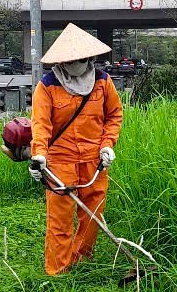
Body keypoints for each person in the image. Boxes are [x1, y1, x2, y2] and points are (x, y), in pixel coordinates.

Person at [29, 23, 123, 275]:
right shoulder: (47, 86)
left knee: (93, 214)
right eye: (70, 60)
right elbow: (41, 124)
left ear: (89, 58)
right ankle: (58, 270)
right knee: (60, 219)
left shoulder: (103, 83)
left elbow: (114, 115)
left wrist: (107, 145)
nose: (75, 64)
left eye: (80, 59)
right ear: (61, 61)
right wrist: (40, 154)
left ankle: (82, 261)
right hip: (60, 160)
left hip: (94, 160)